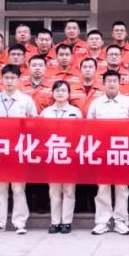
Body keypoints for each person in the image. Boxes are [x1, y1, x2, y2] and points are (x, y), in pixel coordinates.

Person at [0, 65, 37, 234]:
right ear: (1, 80)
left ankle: (19, 222)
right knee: (0, 188)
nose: (9, 81)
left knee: (18, 188)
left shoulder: (26, 100)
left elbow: (34, 124)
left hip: (18, 149)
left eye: (12, 78)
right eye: (6, 78)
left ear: (19, 80)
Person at [86, 71, 129, 235]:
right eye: (108, 81)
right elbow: (88, 127)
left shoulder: (128, 102)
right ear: (103, 83)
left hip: (121, 150)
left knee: (121, 187)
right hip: (102, 150)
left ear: (119, 83)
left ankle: (120, 221)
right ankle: (102, 221)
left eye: (114, 80)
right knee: (103, 187)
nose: (111, 83)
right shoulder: (96, 103)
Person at [42, 80, 82, 233]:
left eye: (63, 90)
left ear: (69, 94)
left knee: (69, 190)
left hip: (69, 155)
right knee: (54, 191)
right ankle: (55, 222)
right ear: (52, 93)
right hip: (52, 155)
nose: (60, 93)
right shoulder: (46, 113)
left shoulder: (75, 112)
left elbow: (81, 134)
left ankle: (66, 222)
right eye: (57, 90)